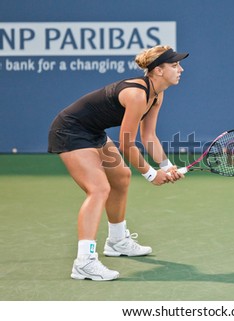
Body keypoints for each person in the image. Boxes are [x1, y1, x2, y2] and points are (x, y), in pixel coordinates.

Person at [48, 45, 188, 281]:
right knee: (99, 188)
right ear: (158, 71)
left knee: (121, 176)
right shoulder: (137, 94)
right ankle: (84, 261)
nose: (180, 69)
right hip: (70, 131)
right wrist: (152, 175)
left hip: (93, 131)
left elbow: (149, 136)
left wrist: (166, 166)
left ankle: (117, 241)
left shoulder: (157, 94)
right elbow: (126, 144)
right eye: (174, 65)